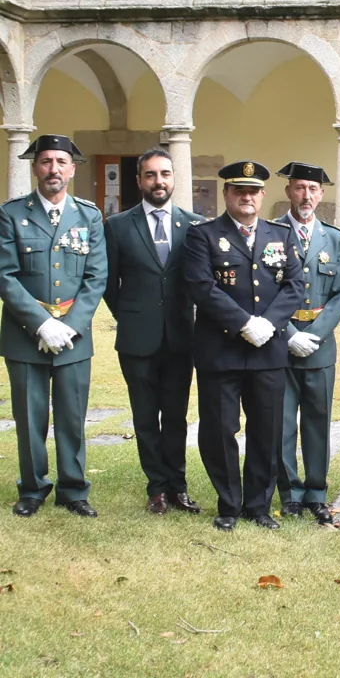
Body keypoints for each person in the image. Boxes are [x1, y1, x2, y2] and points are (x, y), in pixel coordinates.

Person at [184, 161, 303, 531]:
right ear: (227, 194)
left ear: (263, 196)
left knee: (266, 430)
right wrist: (243, 323)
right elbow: (201, 286)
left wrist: (267, 323)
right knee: (219, 430)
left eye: (253, 191)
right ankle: (228, 503)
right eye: (239, 191)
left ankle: (259, 504)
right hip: (221, 351)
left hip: (268, 349)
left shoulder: (281, 235)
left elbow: (295, 286)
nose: (247, 197)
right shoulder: (202, 235)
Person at [0, 134, 107, 518]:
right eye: (46, 162)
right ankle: (32, 488)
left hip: (74, 337)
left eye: (61, 162)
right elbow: (5, 275)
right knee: (30, 417)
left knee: (72, 414)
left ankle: (74, 489)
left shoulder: (89, 215)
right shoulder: (11, 213)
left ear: (72, 169)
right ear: (35, 167)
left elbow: (96, 277)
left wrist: (71, 326)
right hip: (25, 336)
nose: (54, 169)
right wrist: (42, 325)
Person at [103, 147, 203, 516]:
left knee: (175, 416)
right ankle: (156, 488)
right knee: (145, 417)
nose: (158, 181)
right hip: (136, 338)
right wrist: (132, 314)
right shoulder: (116, 225)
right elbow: (109, 282)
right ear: (139, 180)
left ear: (174, 178)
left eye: (164, 174)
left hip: (181, 337)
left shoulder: (194, 225)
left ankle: (178, 486)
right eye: (150, 175)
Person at [274, 162, 340, 527]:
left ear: (322, 194)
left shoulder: (335, 239)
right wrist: (290, 334)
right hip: (280, 345)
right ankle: (289, 493)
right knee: (282, 422)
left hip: (320, 346)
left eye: (313, 189)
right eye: (300, 188)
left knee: (318, 422)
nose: (306, 195)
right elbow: (265, 292)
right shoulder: (271, 234)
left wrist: (314, 334)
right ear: (288, 191)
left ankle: (316, 493)